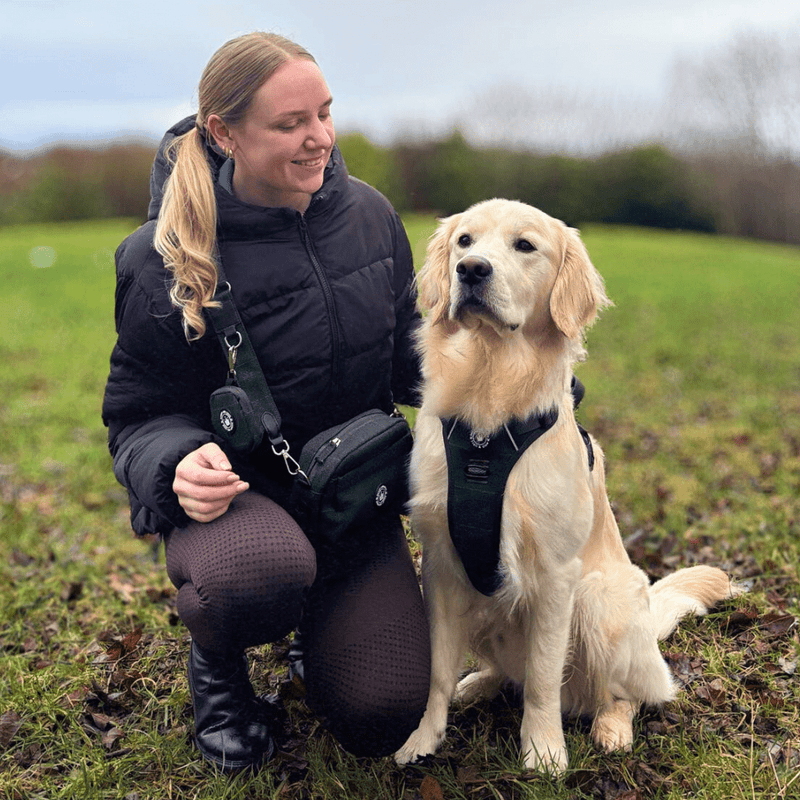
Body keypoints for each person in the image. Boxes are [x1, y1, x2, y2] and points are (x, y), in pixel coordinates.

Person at [102, 31, 430, 772]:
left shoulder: (371, 216)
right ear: (224, 132)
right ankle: (219, 672)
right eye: (290, 124)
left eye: (325, 113)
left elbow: (412, 350)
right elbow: (137, 415)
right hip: (242, 509)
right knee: (256, 576)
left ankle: (327, 629)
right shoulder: (166, 256)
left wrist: (508, 381)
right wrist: (178, 463)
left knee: (383, 712)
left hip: (355, 497)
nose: (319, 139)